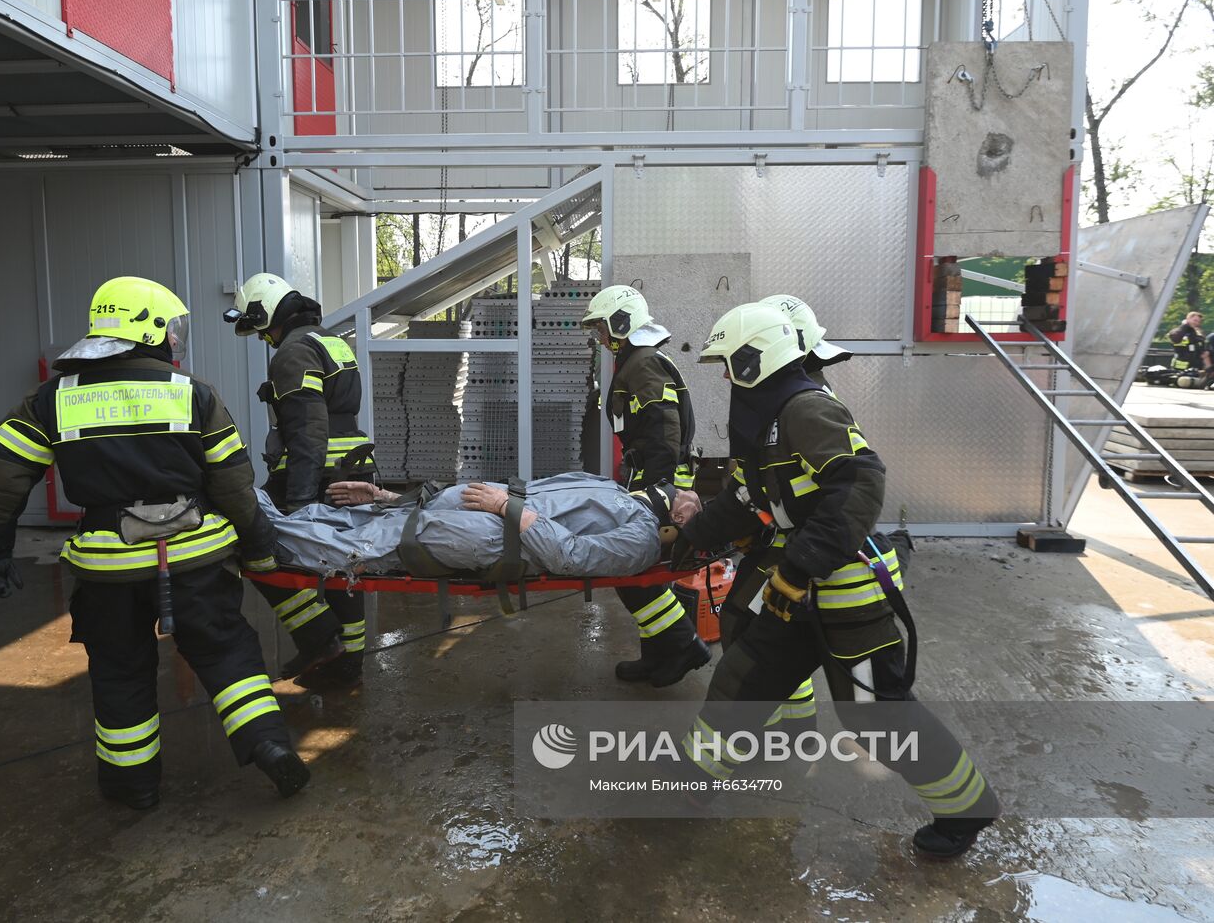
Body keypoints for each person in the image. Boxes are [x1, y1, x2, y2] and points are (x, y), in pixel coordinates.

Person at [0, 276, 308, 809]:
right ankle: (268, 745)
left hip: (106, 569)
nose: (176, 339)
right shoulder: (195, 394)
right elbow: (234, 485)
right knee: (227, 652)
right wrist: (259, 546)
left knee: (120, 670)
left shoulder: (51, 400)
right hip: (195, 559)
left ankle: (133, 787)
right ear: (148, 329)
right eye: (173, 328)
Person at [671, 301, 1000, 859]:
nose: (725, 376)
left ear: (757, 360)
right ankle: (694, 785)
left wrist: (800, 567)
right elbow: (747, 501)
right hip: (791, 596)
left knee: (875, 714)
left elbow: (859, 482)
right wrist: (687, 538)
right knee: (741, 681)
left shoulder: (804, 409)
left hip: (847, 594)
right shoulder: (765, 425)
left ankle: (967, 808)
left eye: (730, 363)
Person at [226, 273, 375, 691]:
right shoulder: (331, 340)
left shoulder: (292, 352)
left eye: (262, 328)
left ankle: (318, 639)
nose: (264, 339)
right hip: (352, 469)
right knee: (346, 564)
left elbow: (309, 428)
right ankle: (348, 665)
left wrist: (300, 502)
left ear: (269, 312)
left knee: (256, 548)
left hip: (317, 475)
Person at [581, 285, 711, 688]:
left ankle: (682, 645)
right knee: (644, 574)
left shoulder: (643, 364)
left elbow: (664, 431)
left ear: (623, 322)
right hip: (650, 479)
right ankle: (657, 656)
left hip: (659, 483)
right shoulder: (636, 361)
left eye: (603, 328)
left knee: (633, 570)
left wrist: (657, 490)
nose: (600, 338)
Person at [256, 473, 701, 578]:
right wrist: (391, 496)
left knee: (387, 541)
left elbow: (572, 557)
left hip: (502, 535)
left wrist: (508, 508)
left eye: (688, 496)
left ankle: (268, 535)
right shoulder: (612, 488)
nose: (682, 488)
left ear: (678, 517)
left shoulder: (641, 537)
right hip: (494, 508)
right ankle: (269, 520)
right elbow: (542, 491)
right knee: (384, 516)